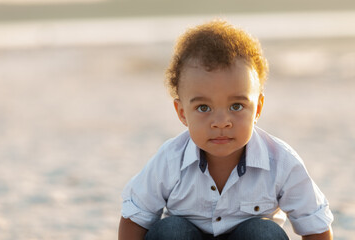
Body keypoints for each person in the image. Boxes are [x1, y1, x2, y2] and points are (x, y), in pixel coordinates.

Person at [118, 20, 333, 240]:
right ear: (182, 112)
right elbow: (135, 217)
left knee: (264, 232)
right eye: (203, 108)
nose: (221, 122)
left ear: (257, 108)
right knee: (171, 230)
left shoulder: (281, 162)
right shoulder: (170, 160)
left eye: (236, 106)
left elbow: (314, 224)